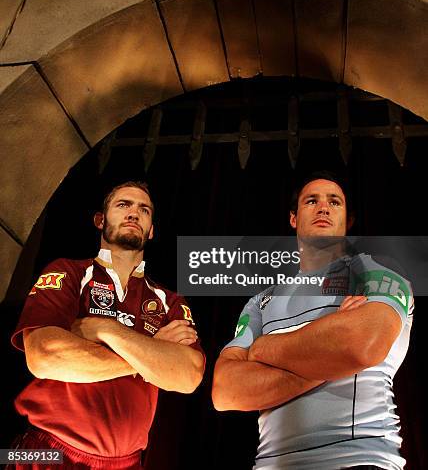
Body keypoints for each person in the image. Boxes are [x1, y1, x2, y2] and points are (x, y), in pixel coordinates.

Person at [212, 171, 413, 470]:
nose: (323, 208)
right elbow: (225, 391)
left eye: (334, 202)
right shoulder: (262, 299)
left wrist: (263, 349)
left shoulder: (373, 272)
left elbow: (362, 346)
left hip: (361, 460)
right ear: (293, 218)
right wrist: (331, 353)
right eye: (311, 201)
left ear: (348, 220)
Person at [10, 181, 205, 469]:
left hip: (126, 463)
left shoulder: (170, 301)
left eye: (144, 209)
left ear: (151, 230)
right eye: (123, 205)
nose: (133, 214)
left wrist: (103, 328)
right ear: (100, 220)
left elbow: (189, 376)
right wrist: (153, 355)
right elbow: (43, 356)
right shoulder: (67, 271)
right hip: (46, 450)